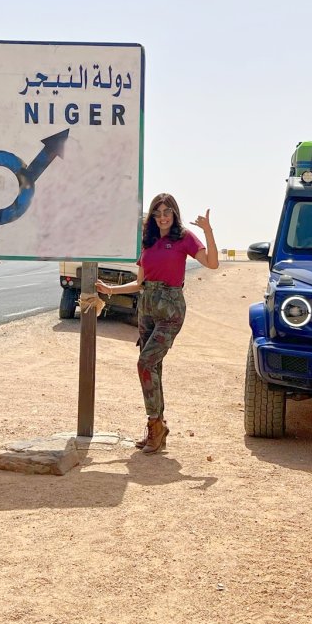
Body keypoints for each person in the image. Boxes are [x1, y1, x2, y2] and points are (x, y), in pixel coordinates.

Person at [96, 193, 219, 454]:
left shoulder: (184, 237)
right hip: (147, 308)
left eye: (167, 212)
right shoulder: (148, 242)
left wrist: (208, 231)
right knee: (154, 367)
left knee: (145, 363)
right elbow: (140, 282)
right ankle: (158, 426)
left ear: (174, 214)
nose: (162, 217)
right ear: (152, 217)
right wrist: (111, 289)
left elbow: (212, 263)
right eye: (158, 213)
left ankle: (154, 423)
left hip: (170, 309)